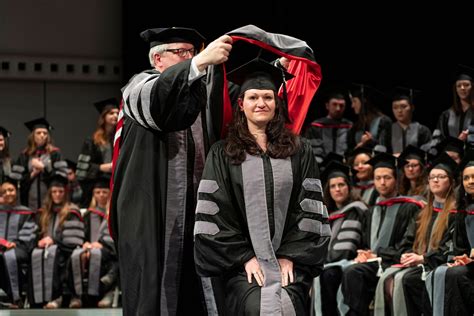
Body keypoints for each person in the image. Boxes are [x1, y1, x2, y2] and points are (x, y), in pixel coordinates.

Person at [108, 26, 233, 315]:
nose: (188, 57)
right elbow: (161, 100)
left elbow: (239, 104)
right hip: (152, 208)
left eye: (190, 52)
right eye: (179, 52)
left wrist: (281, 74)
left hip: (199, 209)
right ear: (157, 60)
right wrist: (199, 62)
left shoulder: (198, 91)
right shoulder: (138, 86)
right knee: (154, 290)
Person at [193, 58, 330, 315]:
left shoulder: (299, 151)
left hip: (289, 263)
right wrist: (244, 257)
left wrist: (291, 255)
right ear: (241, 104)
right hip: (240, 266)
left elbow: (310, 212)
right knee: (257, 306)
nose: (261, 103)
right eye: (253, 97)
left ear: (277, 104)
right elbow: (215, 215)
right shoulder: (223, 154)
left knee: (288, 304)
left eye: (267, 97)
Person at [340, 152, 422, 316]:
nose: (382, 183)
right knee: (339, 272)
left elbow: (407, 246)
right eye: (377, 178)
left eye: (387, 177)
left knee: (354, 273)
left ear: (396, 179)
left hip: (394, 262)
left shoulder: (410, 207)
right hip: (374, 264)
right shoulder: (371, 211)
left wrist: (378, 254)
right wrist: (363, 254)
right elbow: (365, 243)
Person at [313, 160, 368, 316]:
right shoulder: (326, 215)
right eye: (333, 186)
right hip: (329, 265)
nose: (337, 189)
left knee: (329, 275)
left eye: (341, 185)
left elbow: (354, 245)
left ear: (349, 187)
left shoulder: (357, 210)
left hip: (350, 263)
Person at [28, 173, 84, 308]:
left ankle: (57, 297)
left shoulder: (72, 211)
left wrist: (53, 241)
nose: (57, 194)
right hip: (46, 249)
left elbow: (74, 240)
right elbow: (33, 234)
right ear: (49, 193)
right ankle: (38, 299)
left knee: (57, 256)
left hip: (66, 249)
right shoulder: (42, 212)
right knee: (36, 253)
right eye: (54, 191)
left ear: (65, 193)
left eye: (60, 191)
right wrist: (38, 242)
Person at [68, 177, 118, 308]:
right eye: (98, 192)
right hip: (89, 248)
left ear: (110, 193)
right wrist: (85, 243)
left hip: (109, 250)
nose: (101, 195)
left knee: (102, 256)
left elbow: (116, 237)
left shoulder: (115, 213)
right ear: (93, 195)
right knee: (76, 255)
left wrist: (102, 244)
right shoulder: (88, 214)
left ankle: (106, 293)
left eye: (104, 192)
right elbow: (80, 234)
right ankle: (77, 296)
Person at [0, 175, 37, 308]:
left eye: (11, 190)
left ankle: (16, 297)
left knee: (9, 256)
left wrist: (14, 243)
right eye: (4, 191)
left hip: (20, 248)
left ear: (16, 192)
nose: (8, 193)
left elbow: (29, 234)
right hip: (2, 248)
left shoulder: (26, 213)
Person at [76, 98, 119, 207]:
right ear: (104, 116)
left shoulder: (121, 139)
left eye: (117, 113)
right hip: (98, 185)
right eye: (111, 113)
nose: (115, 115)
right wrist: (101, 167)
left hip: (116, 184)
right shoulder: (92, 141)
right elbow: (82, 168)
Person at [15, 118, 66, 210]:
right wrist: (32, 174)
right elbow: (18, 180)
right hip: (29, 201)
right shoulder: (24, 155)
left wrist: (44, 169)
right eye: (38, 133)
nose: (42, 135)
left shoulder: (55, 153)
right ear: (32, 136)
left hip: (50, 200)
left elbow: (61, 178)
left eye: (45, 133)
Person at [305, 92, 352, 163]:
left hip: (344, 164)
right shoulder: (316, 126)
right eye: (334, 104)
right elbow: (314, 149)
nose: (338, 108)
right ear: (327, 106)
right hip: (321, 165)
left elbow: (350, 149)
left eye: (341, 105)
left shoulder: (349, 126)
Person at [347, 84, 392, 153]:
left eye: (354, 101)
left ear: (364, 101)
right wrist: (360, 145)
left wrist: (371, 141)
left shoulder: (383, 121)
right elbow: (350, 150)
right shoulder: (355, 127)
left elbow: (385, 148)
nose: (352, 106)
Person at [390, 88, 432, 155]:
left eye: (403, 107)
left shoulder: (422, 130)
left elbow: (427, 153)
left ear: (412, 108)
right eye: (395, 108)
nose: (399, 111)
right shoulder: (387, 131)